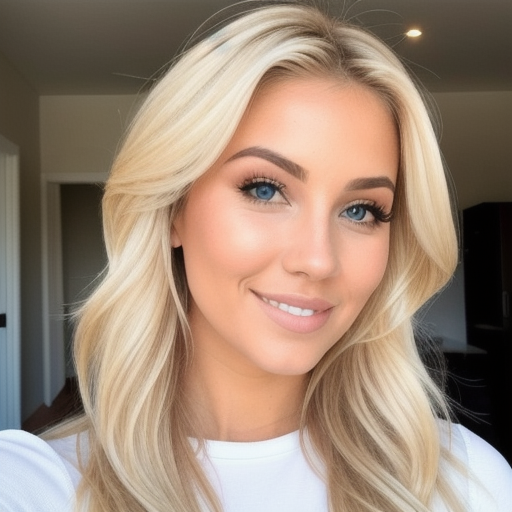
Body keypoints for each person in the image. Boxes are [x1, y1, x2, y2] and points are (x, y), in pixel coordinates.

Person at [1, 2, 511, 511]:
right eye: (265, 190)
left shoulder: (466, 483)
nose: (318, 260)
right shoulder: (37, 485)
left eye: (361, 210)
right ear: (173, 208)